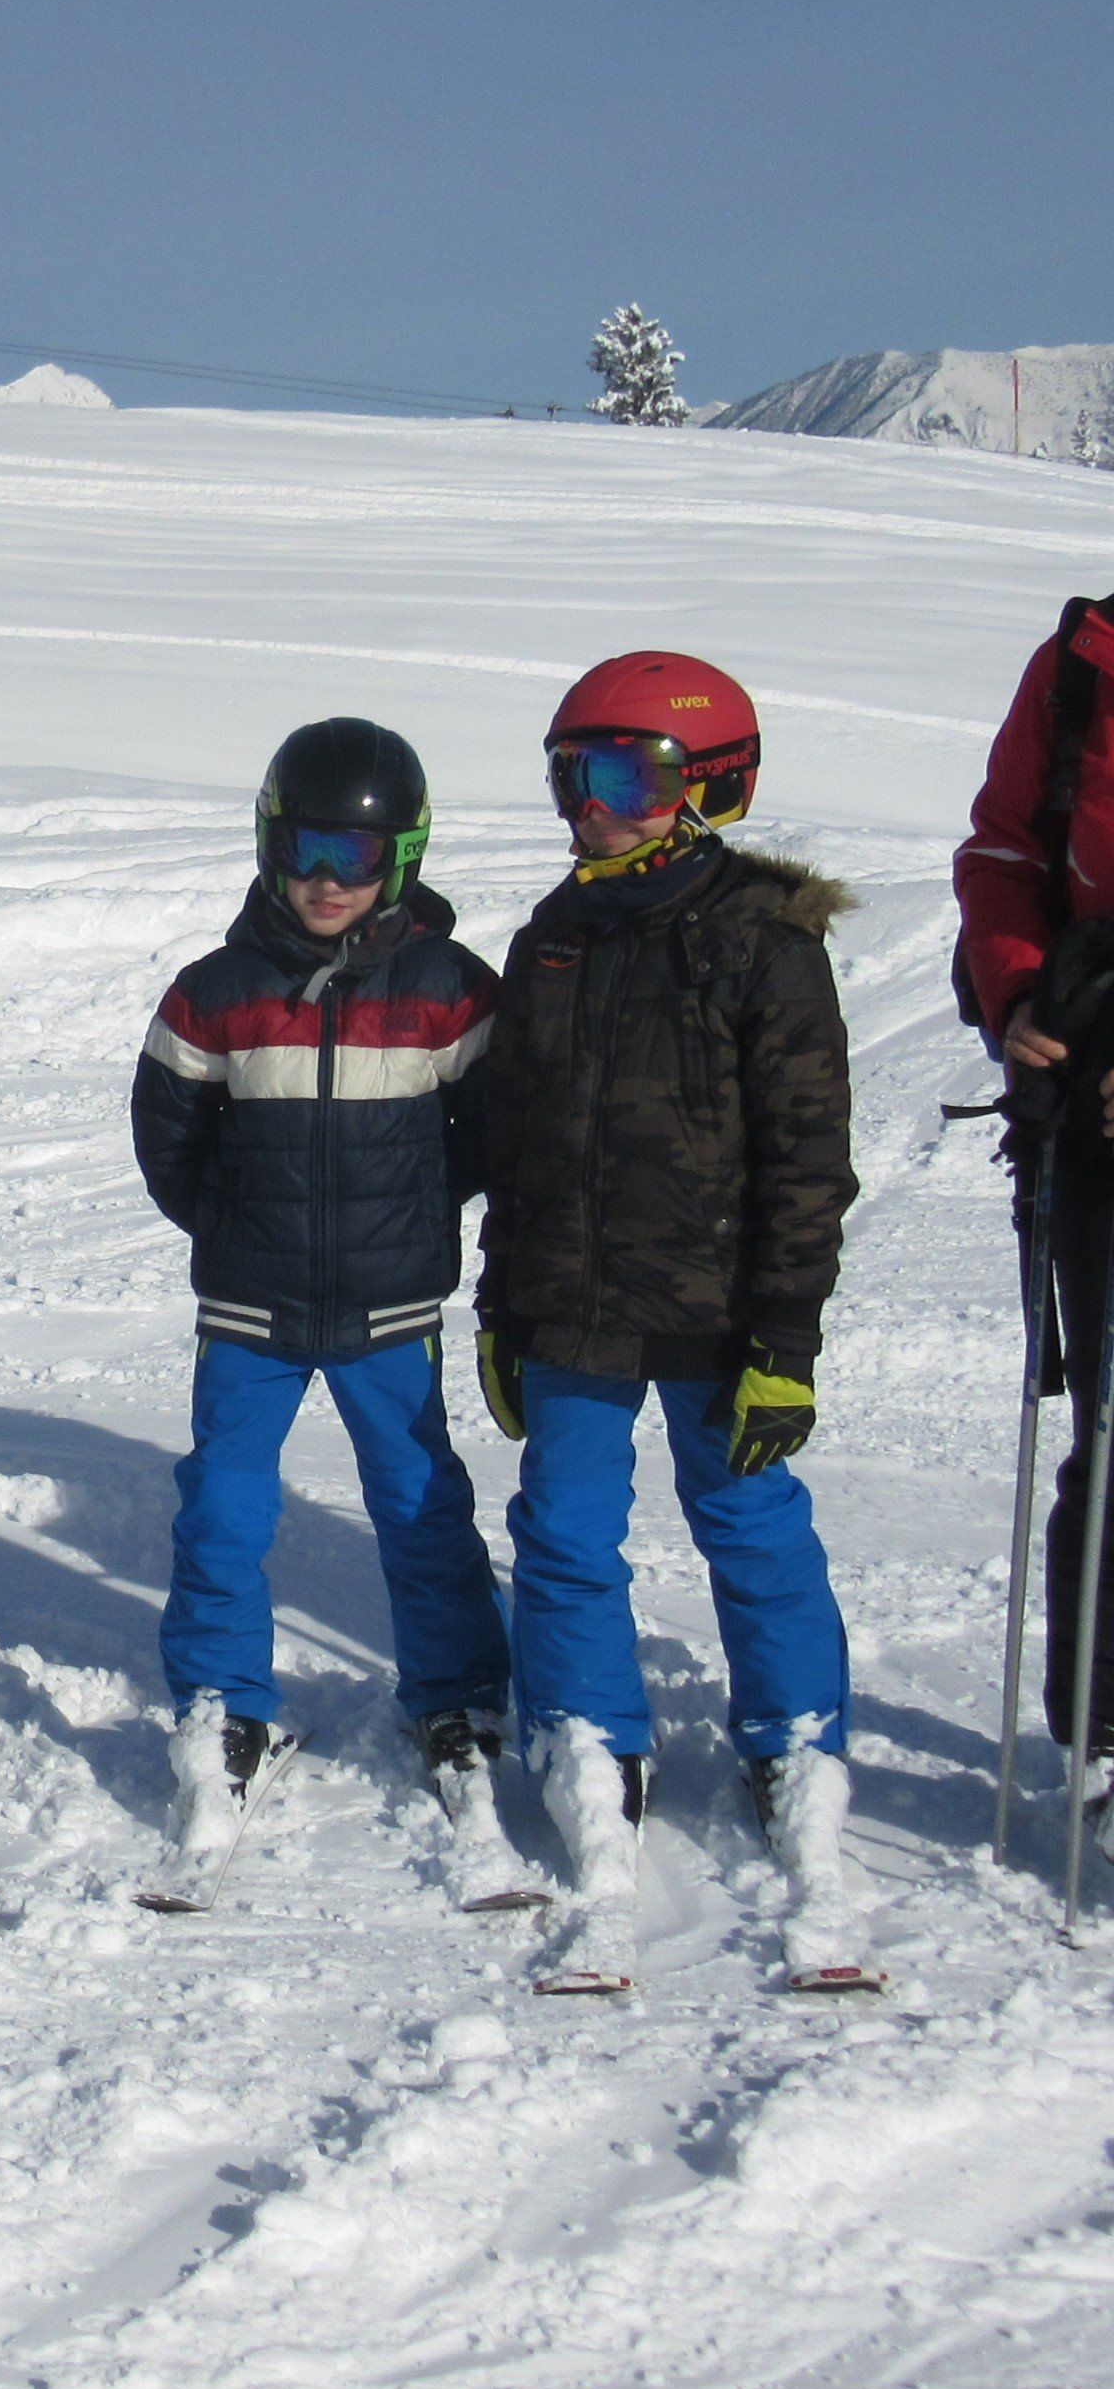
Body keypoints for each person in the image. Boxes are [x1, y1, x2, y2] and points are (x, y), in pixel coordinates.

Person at [474, 653, 861, 1972]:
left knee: (750, 1527)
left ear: (711, 788)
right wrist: (499, 1307)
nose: (590, 803)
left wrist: (786, 1343)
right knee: (567, 1537)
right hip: (574, 1311)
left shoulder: (763, 938)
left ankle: (797, 1747)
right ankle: (590, 1745)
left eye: (625, 775)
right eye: (570, 774)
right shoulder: (556, 936)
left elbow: (809, 1162)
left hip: (720, 1316)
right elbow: (515, 1145)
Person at [131, 719, 513, 1892]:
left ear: (399, 859)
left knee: (417, 1503)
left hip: (391, 1308)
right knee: (225, 1511)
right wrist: (236, 1229)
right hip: (248, 1309)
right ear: (266, 844)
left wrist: (405, 1227)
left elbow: (486, 1137)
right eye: (305, 851)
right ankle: (222, 1702)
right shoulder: (216, 991)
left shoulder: (448, 991)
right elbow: (167, 1141)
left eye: (356, 858)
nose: (326, 882)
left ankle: (454, 1700)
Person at [952, 592, 1114, 1808]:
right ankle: (1105, 1743)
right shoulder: (1078, 667)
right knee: (1112, 1438)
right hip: (1088, 1088)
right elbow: (1005, 853)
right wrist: (1014, 997)